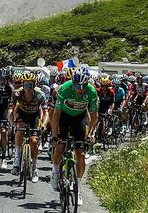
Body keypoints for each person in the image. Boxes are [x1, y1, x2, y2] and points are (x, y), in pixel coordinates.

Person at [49, 65, 98, 205]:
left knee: (81, 154)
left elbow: (94, 115)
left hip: (79, 118)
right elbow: (56, 114)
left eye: (83, 86)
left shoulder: (92, 91)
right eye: (77, 86)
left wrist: (91, 133)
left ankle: (78, 188)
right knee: (60, 147)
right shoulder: (64, 88)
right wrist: (54, 134)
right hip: (64, 117)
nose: (80, 89)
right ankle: (55, 171)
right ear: (73, 83)